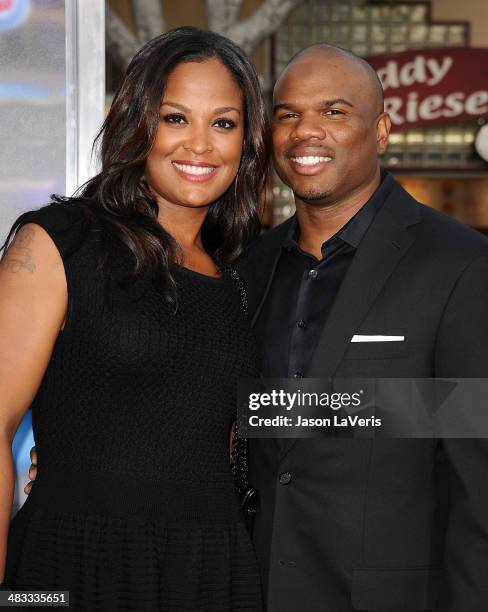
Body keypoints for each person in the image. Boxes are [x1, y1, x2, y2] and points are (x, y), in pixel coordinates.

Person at [0, 27, 269, 610]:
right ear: (138, 125)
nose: (199, 146)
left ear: (246, 143)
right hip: (69, 571)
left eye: (223, 123)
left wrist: (414, 412)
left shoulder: (242, 275)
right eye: (176, 118)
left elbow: (236, 429)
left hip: (212, 572)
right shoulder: (59, 242)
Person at [240, 44, 488, 611]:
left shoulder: (460, 267)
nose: (306, 131)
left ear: (380, 131)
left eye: (333, 111)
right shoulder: (252, 266)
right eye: (288, 114)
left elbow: (480, 483)